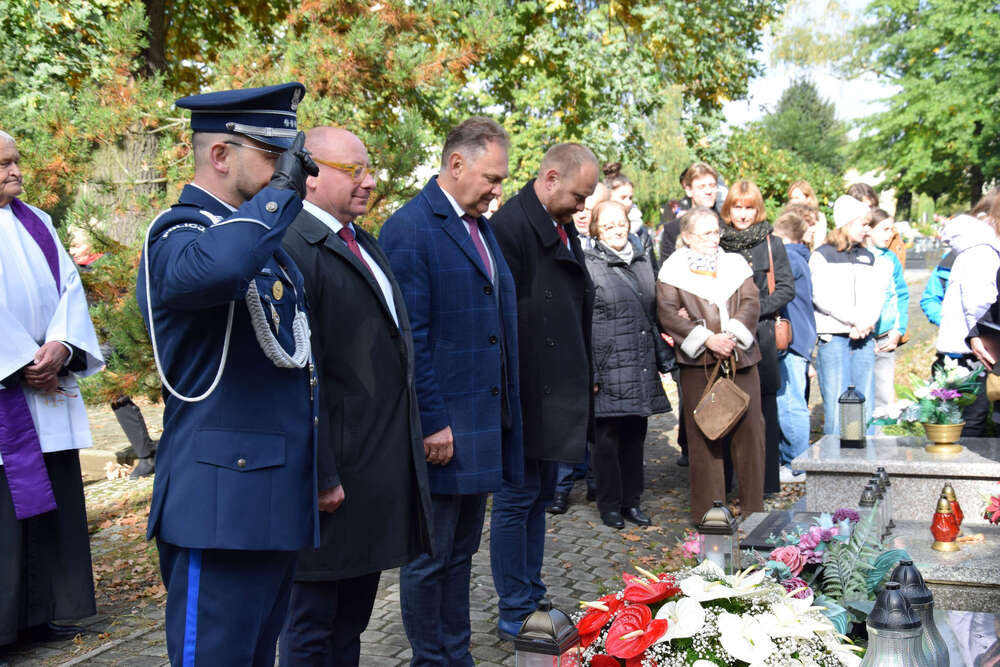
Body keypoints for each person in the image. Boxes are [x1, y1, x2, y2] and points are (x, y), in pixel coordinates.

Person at [135, 83, 323, 666]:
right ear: (221, 155)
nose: (290, 175)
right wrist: (280, 195)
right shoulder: (178, 233)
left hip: (268, 495)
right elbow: (217, 270)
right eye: (274, 157)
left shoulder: (260, 242)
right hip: (218, 505)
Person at [278, 127, 433, 665]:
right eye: (355, 171)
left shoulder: (358, 239)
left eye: (370, 169)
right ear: (311, 173)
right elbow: (300, 371)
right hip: (333, 473)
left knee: (350, 621)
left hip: (371, 468)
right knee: (312, 622)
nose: (369, 182)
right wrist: (320, 474)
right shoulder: (292, 243)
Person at [379, 117, 523, 665]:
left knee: (461, 552)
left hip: (481, 423)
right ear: (456, 164)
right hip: (445, 428)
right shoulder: (412, 229)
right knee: (430, 555)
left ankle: (455, 653)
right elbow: (408, 338)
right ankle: (432, 658)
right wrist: (431, 421)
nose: (497, 189)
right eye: (491, 177)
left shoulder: (480, 228)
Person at [0, 130, 105, 660]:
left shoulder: (37, 222)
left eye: (16, 160)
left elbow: (71, 289)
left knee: (49, 502)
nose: (15, 172)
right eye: (2, 165)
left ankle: (39, 613)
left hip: (44, 383)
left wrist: (62, 345)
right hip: (7, 394)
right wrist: (19, 361)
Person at [489, 142, 597, 639]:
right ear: (550, 178)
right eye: (578, 195)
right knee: (517, 498)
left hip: (555, 388)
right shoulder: (512, 226)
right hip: (527, 388)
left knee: (535, 498)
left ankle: (528, 592)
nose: (583, 206)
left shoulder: (559, 222)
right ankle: (514, 604)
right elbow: (505, 319)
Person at [656, 207, 764, 524]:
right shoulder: (672, 271)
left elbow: (750, 301)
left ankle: (754, 509)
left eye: (716, 231)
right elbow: (668, 312)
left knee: (751, 434)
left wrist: (731, 335)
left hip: (741, 359)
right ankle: (710, 512)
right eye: (705, 233)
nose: (713, 238)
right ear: (686, 237)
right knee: (705, 435)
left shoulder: (735, 264)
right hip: (699, 365)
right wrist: (706, 339)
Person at [585, 200, 672, 528]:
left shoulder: (642, 258)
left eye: (620, 222)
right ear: (596, 230)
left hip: (638, 361)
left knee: (636, 437)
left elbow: (653, 308)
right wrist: (590, 369)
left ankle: (632, 502)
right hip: (606, 365)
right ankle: (609, 505)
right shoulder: (589, 263)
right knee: (606, 441)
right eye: (607, 226)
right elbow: (582, 322)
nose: (616, 230)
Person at [718, 181, 794, 496]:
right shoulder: (718, 242)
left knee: (764, 412)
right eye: (738, 207)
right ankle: (725, 484)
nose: (743, 214)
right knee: (725, 409)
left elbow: (787, 288)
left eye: (749, 207)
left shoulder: (772, 243)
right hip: (727, 336)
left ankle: (765, 484)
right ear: (729, 209)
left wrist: (754, 311)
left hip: (761, 335)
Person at [67, 228, 158, 479]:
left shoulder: (105, 270)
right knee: (117, 398)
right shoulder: (79, 272)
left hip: (123, 341)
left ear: (90, 244)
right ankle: (147, 453)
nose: (71, 250)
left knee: (121, 397)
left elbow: (113, 318)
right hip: (105, 345)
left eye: (75, 245)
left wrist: (104, 356)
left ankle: (148, 455)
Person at [548, 181, 611, 515]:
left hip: (601, 343)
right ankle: (560, 488)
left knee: (596, 424)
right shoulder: (560, 240)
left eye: (592, 207)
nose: (584, 213)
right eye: (581, 205)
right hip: (569, 345)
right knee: (566, 420)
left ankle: (597, 482)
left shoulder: (612, 247)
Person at [810, 195, 890, 436]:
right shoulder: (823, 255)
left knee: (865, 399)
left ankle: (867, 455)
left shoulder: (870, 257)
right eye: (862, 224)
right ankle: (835, 458)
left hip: (864, 334)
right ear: (846, 223)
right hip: (834, 334)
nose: (867, 230)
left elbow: (878, 293)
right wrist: (853, 319)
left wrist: (867, 322)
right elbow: (821, 296)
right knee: (837, 400)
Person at [934, 194, 1000, 436]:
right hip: (975, 350)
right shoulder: (983, 253)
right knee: (973, 419)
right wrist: (984, 336)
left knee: (959, 419)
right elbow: (981, 303)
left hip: (961, 348)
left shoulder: (972, 250)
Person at [771, 208, 816, 482]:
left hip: (792, 338)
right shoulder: (802, 257)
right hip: (802, 335)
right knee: (792, 400)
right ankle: (793, 458)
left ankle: (797, 462)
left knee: (789, 402)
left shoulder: (787, 258)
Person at [868, 208, 909, 411]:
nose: (889, 235)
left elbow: (901, 295)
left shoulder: (891, 258)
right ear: (869, 230)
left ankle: (882, 438)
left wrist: (898, 330)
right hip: (861, 337)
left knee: (884, 396)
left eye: (891, 229)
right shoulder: (857, 256)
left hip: (886, 335)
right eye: (884, 229)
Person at [658, 162, 721, 262]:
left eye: (712, 185)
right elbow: (666, 270)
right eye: (702, 187)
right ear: (689, 190)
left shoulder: (727, 224)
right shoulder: (673, 229)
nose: (708, 191)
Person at [603, 162, 657, 272]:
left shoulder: (641, 233)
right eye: (623, 197)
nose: (628, 202)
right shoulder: (595, 230)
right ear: (607, 197)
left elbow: (653, 271)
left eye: (630, 197)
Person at [786, 180, 827, 249]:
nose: (793, 202)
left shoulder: (819, 218)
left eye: (797, 198)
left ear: (808, 198)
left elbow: (818, 245)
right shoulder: (787, 218)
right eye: (791, 198)